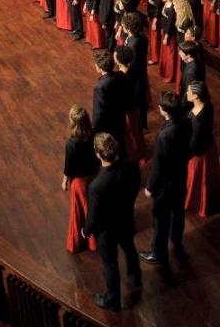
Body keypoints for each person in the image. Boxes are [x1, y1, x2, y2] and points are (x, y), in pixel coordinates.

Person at [82, 133, 142, 312]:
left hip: (106, 232)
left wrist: (86, 231)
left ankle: (112, 299)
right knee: (129, 248)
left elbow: (93, 216)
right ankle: (135, 278)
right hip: (125, 219)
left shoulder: (96, 186)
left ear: (98, 154)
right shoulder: (131, 166)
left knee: (110, 264)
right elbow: (136, 185)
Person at [139, 91, 191, 264]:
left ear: (163, 110)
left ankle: (158, 253)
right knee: (178, 211)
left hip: (165, 185)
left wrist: (150, 187)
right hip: (181, 176)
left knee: (160, 219)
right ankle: (176, 239)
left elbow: (159, 166)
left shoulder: (164, 135)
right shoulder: (186, 123)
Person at [62, 105, 99, 254]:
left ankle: (77, 243)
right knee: (93, 211)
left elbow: (69, 168)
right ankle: (94, 243)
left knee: (79, 213)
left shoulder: (72, 144)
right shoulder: (94, 135)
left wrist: (65, 181)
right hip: (94, 178)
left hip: (80, 183)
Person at [185, 81, 220, 216]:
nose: (186, 93)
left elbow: (193, 143)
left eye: (189, 91)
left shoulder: (197, 120)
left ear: (196, 96)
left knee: (198, 181)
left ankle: (195, 201)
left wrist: (184, 155)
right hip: (208, 147)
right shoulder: (208, 105)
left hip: (198, 154)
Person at [114, 46, 147, 165]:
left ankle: (135, 154)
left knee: (131, 134)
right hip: (133, 106)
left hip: (127, 108)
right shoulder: (133, 69)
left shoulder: (120, 77)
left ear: (118, 59)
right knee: (135, 133)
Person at [92, 50, 126, 151]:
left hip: (108, 125)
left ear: (99, 67)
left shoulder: (100, 87)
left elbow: (98, 112)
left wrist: (94, 129)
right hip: (120, 119)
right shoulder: (121, 75)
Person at [122, 13, 149, 130]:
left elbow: (132, 64)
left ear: (128, 29)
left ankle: (141, 126)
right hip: (140, 73)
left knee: (138, 101)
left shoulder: (133, 43)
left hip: (135, 76)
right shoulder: (141, 37)